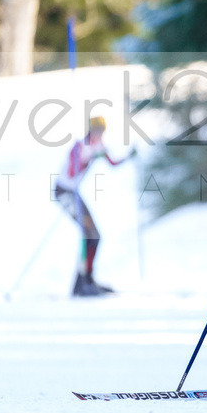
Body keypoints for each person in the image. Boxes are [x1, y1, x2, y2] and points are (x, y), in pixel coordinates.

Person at [53, 116, 135, 297]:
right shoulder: (79, 146)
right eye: (97, 130)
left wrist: (128, 158)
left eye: (102, 131)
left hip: (74, 193)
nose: (99, 134)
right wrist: (87, 158)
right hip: (64, 192)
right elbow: (72, 172)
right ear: (90, 130)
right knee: (88, 235)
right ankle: (81, 284)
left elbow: (112, 163)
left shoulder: (98, 146)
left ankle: (87, 280)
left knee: (94, 236)